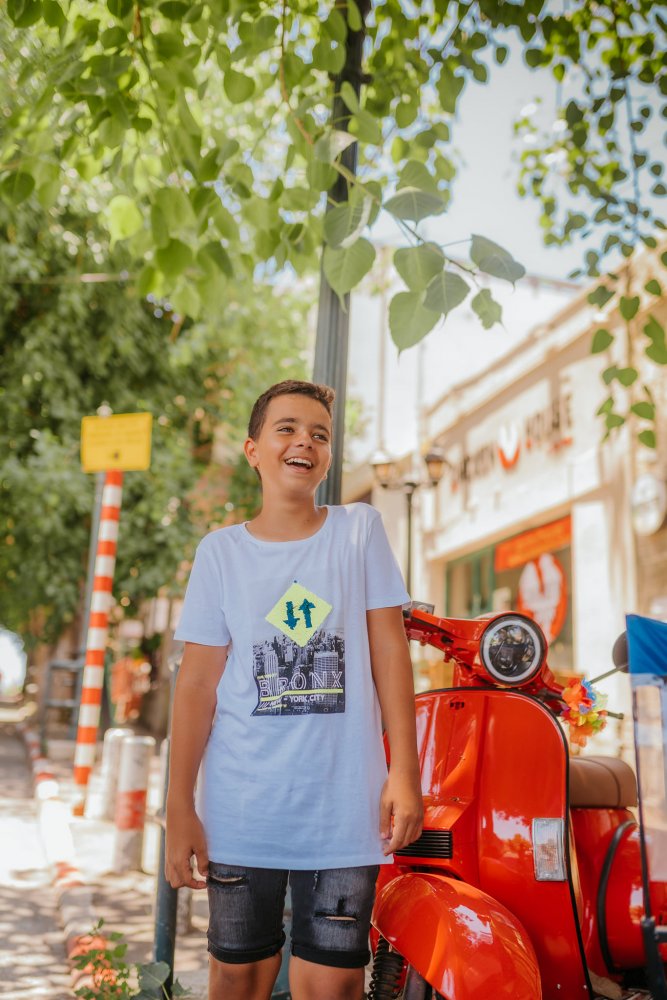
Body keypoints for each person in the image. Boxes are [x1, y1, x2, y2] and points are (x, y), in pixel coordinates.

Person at [165, 380, 423, 1000]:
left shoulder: (359, 531)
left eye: (320, 434)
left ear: (328, 457)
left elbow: (391, 653)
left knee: (333, 984)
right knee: (237, 976)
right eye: (286, 428)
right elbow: (196, 685)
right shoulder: (220, 553)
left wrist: (405, 773)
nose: (304, 441)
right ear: (253, 450)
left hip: (345, 807)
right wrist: (178, 806)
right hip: (241, 804)